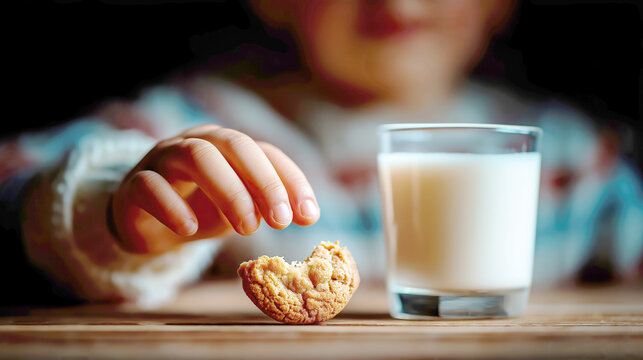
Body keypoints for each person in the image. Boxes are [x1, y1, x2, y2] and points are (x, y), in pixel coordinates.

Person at [1, 0, 641, 308]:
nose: (400, 1)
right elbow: (14, 178)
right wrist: (107, 214)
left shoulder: (569, 160)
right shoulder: (202, 124)